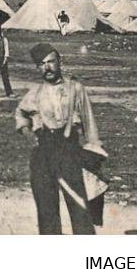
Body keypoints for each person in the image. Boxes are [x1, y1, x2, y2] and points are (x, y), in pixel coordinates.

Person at [15, 43, 106, 235]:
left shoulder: (76, 89)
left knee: (80, 207)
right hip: (43, 154)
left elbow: (89, 123)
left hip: (69, 152)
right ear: (38, 67)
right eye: (41, 64)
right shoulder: (35, 94)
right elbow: (20, 113)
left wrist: (94, 153)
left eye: (51, 62)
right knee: (46, 209)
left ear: (59, 62)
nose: (47, 67)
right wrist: (27, 133)